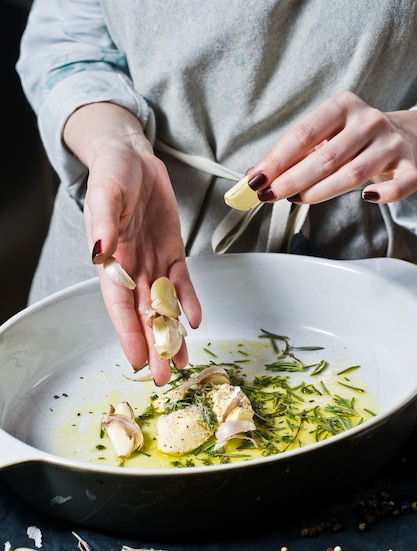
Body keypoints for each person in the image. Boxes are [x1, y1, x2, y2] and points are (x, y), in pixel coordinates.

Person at [16, 0, 417, 386]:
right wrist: (112, 140)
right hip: (123, 245)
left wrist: (412, 131)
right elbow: (66, 37)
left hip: (343, 287)